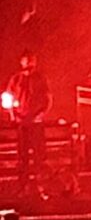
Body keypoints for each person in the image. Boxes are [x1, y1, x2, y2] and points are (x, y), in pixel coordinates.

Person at [10, 51, 51, 194]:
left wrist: (41, 114)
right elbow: (8, 98)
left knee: (39, 156)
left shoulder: (41, 79)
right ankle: (22, 186)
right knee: (23, 156)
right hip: (22, 123)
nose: (28, 63)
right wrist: (13, 115)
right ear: (21, 62)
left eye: (31, 60)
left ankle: (42, 187)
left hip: (36, 123)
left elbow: (47, 99)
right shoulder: (15, 80)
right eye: (26, 60)